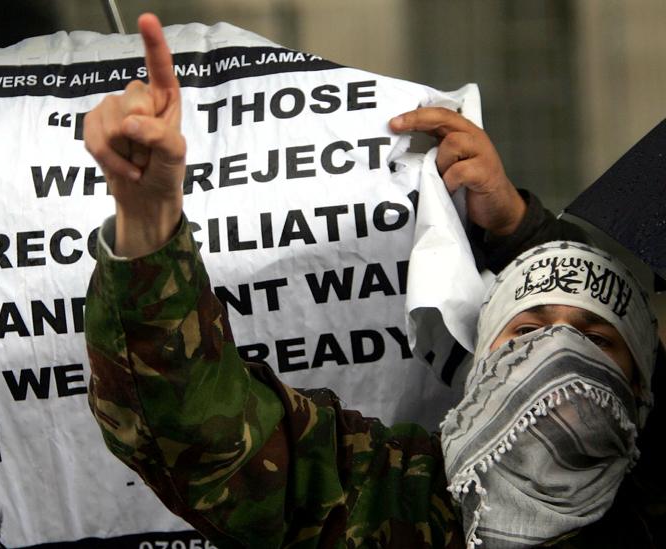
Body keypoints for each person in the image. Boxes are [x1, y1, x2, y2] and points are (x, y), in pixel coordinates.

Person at [83, 14, 662, 548]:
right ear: (481, 365)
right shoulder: (391, 501)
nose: (556, 352)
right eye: (527, 331)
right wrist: (150, 227)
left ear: (641, 387)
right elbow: (208, 438)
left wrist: (526, 242)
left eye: (596, 338)